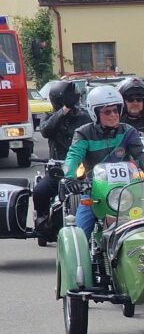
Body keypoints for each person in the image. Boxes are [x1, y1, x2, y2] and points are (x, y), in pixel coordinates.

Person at [62, 85, 144, 239]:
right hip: (94, 193)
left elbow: (141, 155)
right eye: (107, 112)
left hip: (127, 192)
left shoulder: (128, 131)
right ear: (94, 113)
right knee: (79, 235)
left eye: (116, 110)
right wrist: (69, 177)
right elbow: (73, 156)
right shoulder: (83, 133)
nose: (113, 115)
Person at [32, 80, 89, 229]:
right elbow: (46, 131)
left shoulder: (84, 116)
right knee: (39, 191)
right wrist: (64, 110)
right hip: (58, 169)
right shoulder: (49, 116)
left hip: (81, 167)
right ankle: (42, 220)